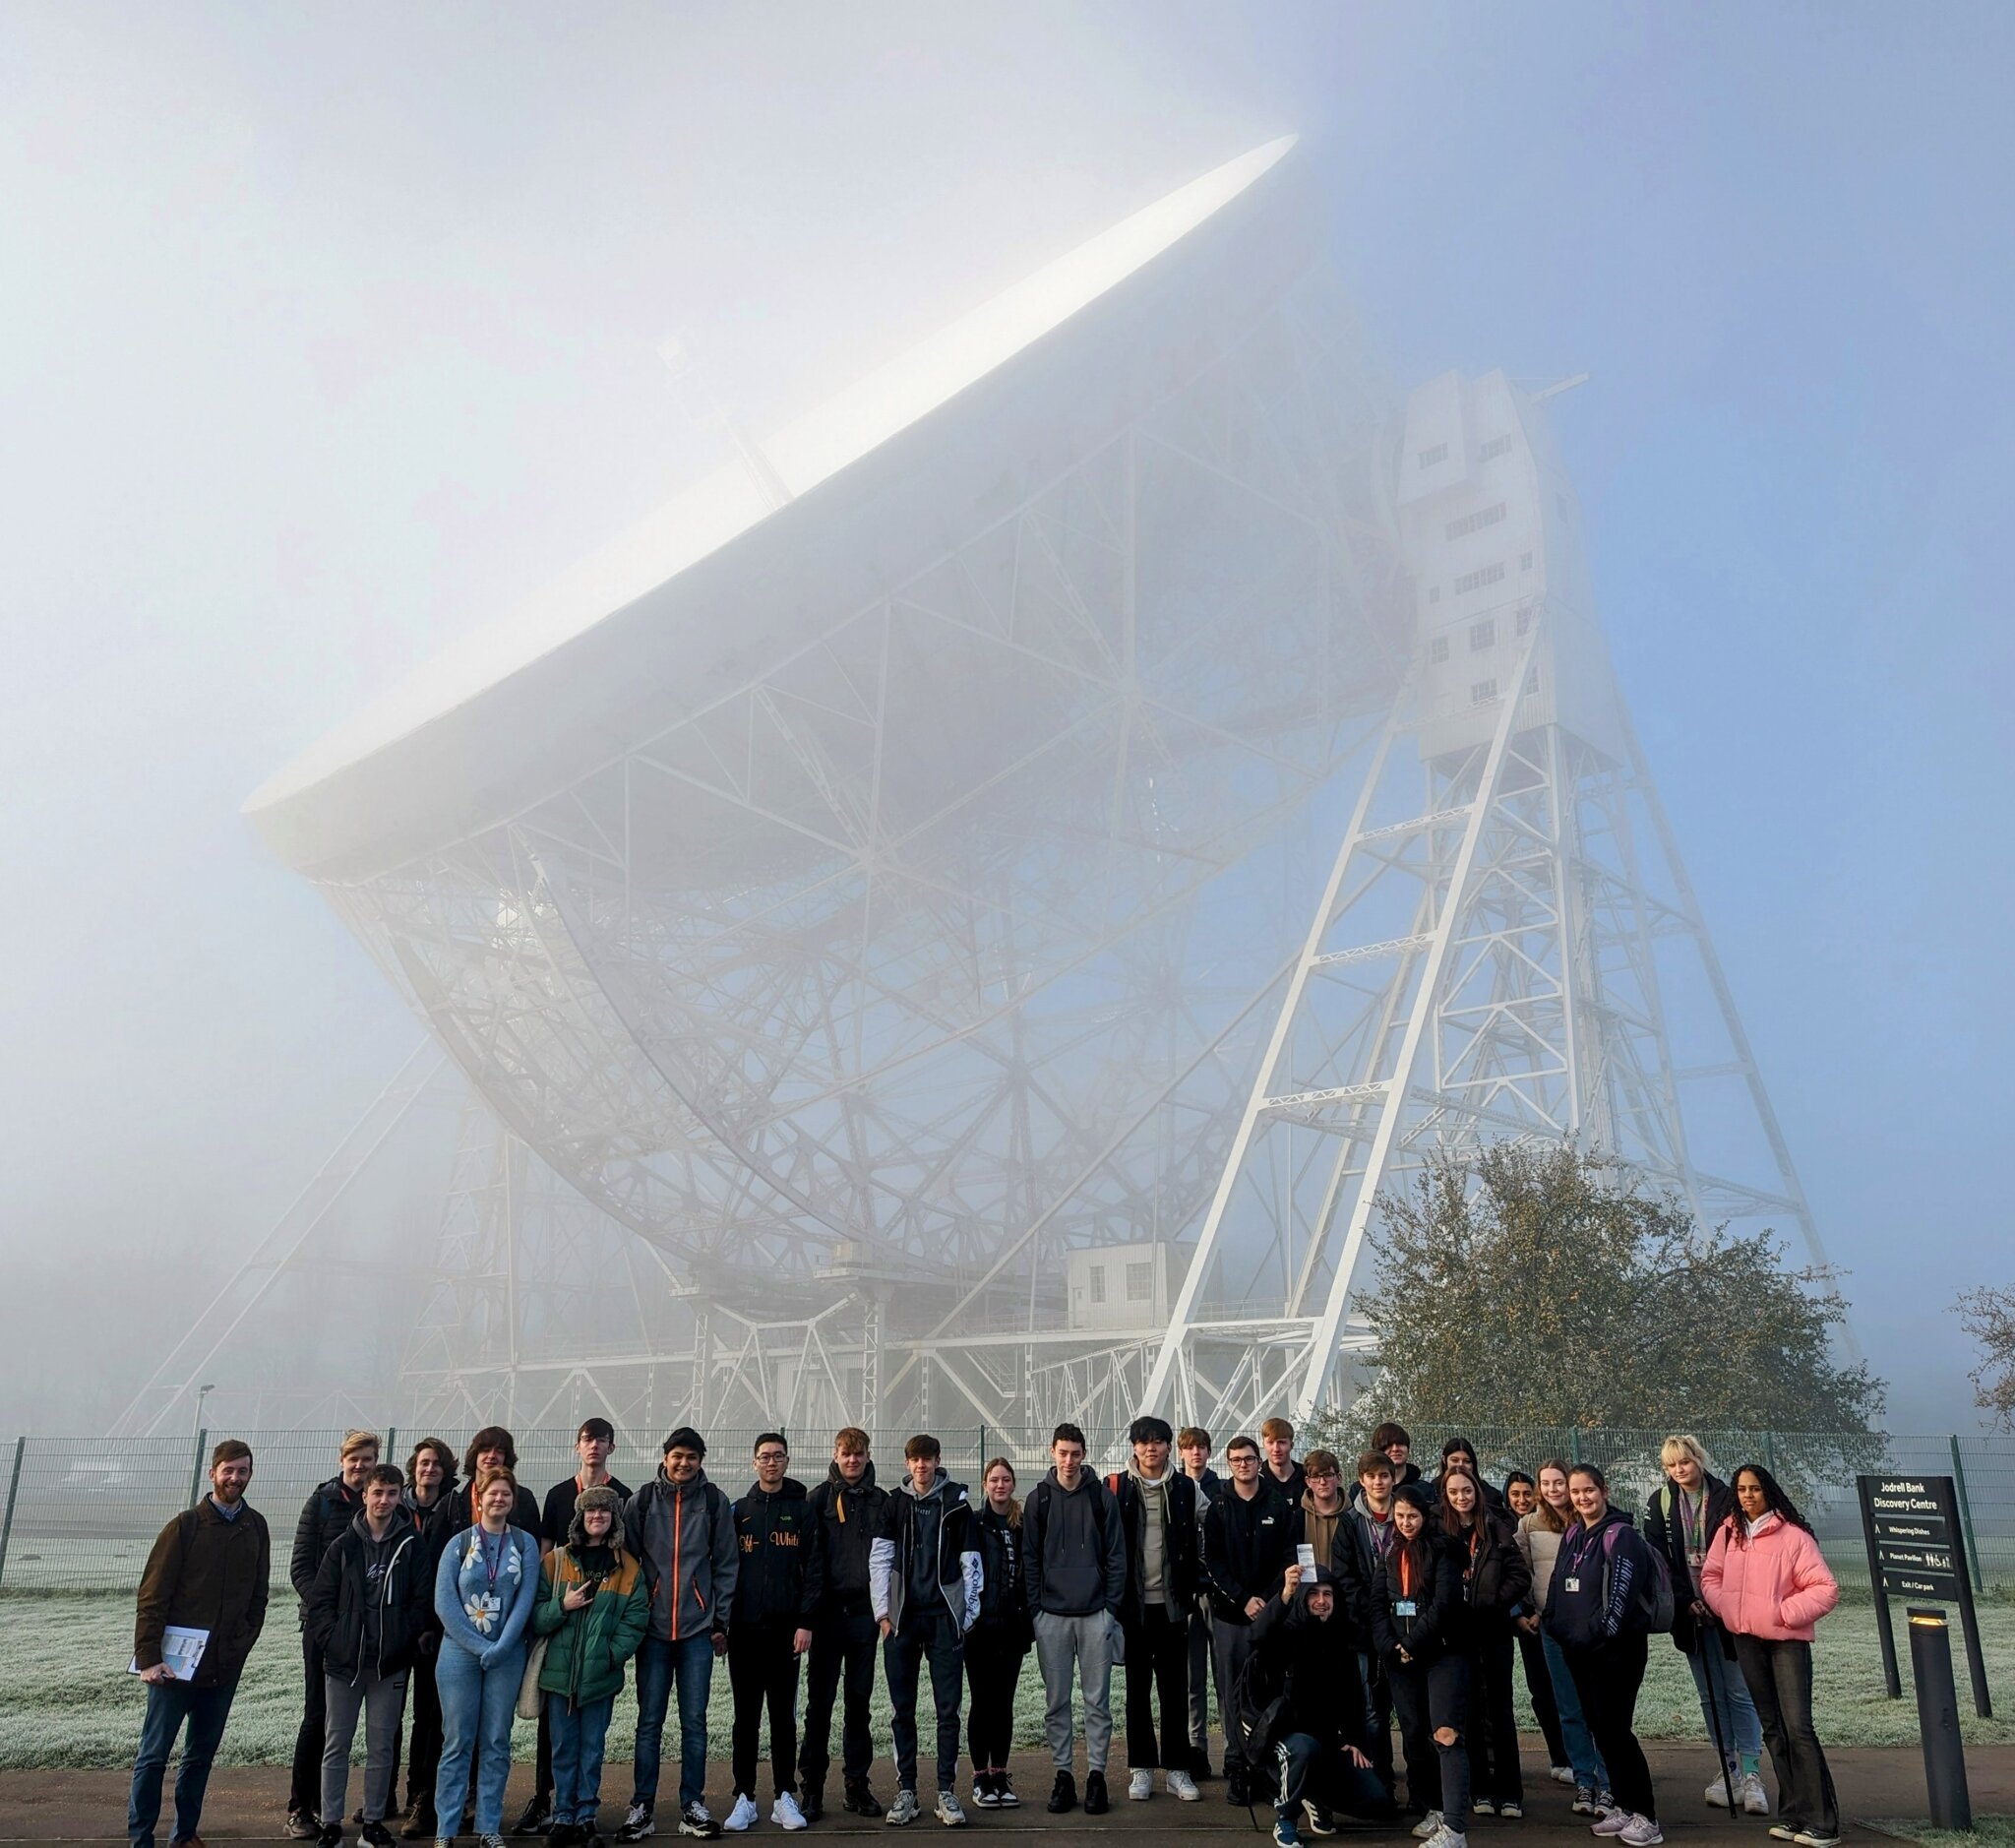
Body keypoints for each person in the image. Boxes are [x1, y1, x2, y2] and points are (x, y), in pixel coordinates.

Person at [129, 1440, 269, 1848]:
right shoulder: (184, 1527)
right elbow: (152, 1596)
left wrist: (242, 1642)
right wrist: (149, 1659)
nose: (235, 1478)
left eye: (243, 1471)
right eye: (229, 1470)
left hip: (222, 1667)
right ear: (213, 1473)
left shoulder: (255, 1526)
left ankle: (184, 1835)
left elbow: (259, 1596)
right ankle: (141, 1839)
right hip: (173, 1668)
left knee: (199, 1758)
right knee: (153, 1757)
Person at [1700, 1466, 1842, 1848]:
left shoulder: (1792, 1536)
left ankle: (1823, 1821)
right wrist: (1728, 1609)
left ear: (1768, 1492)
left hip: (1786, 1642)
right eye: (1742, 1489)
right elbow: (1710, 1577)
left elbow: (1825, 1588)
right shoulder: (1728, 1533)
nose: (1748, 1496)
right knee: (1773, 1728)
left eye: (1756, 1489)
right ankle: (1794, 1813)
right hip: (1747, 1640)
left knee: (1799, 1729)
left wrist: (1782, 1614)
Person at [617, 1428, 738, 1844]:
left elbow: (725, 1563)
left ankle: (692, 1804)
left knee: (695, 1723)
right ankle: (642, 1806)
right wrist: (635, 1616)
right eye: (677, 1456)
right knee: (649, 1722)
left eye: (691, 1457)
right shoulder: (642, 1501)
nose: (683, 1463)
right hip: (651, 1633)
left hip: (697, 1632)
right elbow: (627, 1564)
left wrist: (719, 1619)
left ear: (701, 1460)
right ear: (665, 1457)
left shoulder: (715, 1502)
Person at [311, 1463, 432, 1848]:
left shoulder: (411, 1545)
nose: (384, 1500)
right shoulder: (342, 1546)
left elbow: (421, 1601)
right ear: (364, 1495)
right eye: (377, 1492)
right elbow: (321, 1603)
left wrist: (401, 1642)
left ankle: (374, 1822)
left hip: (388, 1664)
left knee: (381, 1745)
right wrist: (336, 1641)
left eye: (392, 1493)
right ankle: (331, 1822)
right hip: (344, 1664)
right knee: (337, 1743)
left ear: (401, 1497)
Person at [522, 1421, 635, 1836]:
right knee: (556, 1736)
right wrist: (554, 1608)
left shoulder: (624, 1496)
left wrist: (610, 1649)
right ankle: (548, 1801)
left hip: (598, 1640)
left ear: (610, 1447)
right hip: (561, 1637)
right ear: (577, 1447)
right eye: (588, 1440)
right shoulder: (556, 1496)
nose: (594, 1447)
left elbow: (625, 1570)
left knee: (589, 1742)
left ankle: (583, 1811)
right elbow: (547, 1558)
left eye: (601, 1440)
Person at [1235, 1563, 1397, 1847]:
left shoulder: (1342, 1638)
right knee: (1303, 1749)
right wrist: (1285, 1594)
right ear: (1303, 1598)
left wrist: (1354, 1740)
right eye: (1314, 1595)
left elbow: (1352, 1699)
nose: (1321, 1601)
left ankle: (1313, 1795)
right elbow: (1257, 1636)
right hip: (1279, 1737)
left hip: (1323, 1740)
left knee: (1376, 1801)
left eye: (1328, 1594)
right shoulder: (1285, 1633)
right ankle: (1285, 1818)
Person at [1544, 1463, 1662, 1847]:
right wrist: (1554, 1624)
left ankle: (1647, 1816)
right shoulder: (1575, 1533)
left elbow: (1621, 1602)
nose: (1582, 1497)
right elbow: (1559, 1584)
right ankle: (1624, 1808)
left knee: (1617, 1731)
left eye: (1588, 1490)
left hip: (1615, 1653)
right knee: (1601, 1731)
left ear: (1604, 1490)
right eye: (1576, 1491)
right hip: (1579, 1653)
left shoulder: (1621, 1536)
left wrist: (1594, 1635)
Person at [1647, 1437, 1766, 1814]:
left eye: (1684, 1462)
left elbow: (1744, 1552)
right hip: (1689, 1611)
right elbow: (1659, 1560)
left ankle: (1751, 1774)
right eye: (1671, 1466)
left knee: (1738, 1692)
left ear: (1698, 1459)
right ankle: (1727, 1769)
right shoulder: (1660, 1502)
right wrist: (1686, 1600)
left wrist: (1719, 1599)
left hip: (1728, 1608)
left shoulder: (1728, 1496)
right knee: (1708, 1694)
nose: (1679, 1470)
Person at [870, 1434, 980, 1829]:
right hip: (902, 1620)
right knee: (903, 1710)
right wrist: (883, 1613)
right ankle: (907, 1792)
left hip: (942, 1619)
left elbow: (971, 1561)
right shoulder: (893, 1504)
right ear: (907, 1463)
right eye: (915, 1461)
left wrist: (965, 1615)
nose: (921, 1466)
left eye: (927, 1460)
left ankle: (947, 1792)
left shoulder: (956, 1502)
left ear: (937, 1461)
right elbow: (880, 1558)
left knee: (948, 1710)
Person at [531, 1485, 651, 1848]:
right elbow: (535, 1615)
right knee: (563, 1747)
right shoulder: (555, 1561)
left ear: (615, 1518)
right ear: (579, 1517)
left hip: (600, 1677)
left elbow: (636, 1620)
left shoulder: (628, 1567)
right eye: (590, 1511)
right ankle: (563, 1815)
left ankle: (586, 1816)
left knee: (592, 1749)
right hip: (559, 1676)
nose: (596, 1517)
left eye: (604, 1511)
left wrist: (612, 1656)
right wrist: (560, 1607)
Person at [432, 1465, 542, 1848]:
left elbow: (525, 1601)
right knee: (458, 1741)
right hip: (459, 1654)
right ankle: (445, 1828)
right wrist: (483, 1648)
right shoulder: (459, 1544)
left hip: (507, 1656)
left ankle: (489, 1827)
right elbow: (445, 1603)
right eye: (492, 1493)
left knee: (497, 1741)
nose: (499, 1499)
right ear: (478, 1498)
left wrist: (502, 1647)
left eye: (506, 1494)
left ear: (513, 1501)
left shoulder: (525, 1544)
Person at [1021, 1422, 1125, 1817]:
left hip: (1096, 1614)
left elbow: (1117, 1555)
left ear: (1084, 1453)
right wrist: (1036, 1610)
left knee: (1097, 1702)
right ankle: (1063, 1775)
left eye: (1075, 1453)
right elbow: (1030, 1559)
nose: (1069, 1460)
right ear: (1052, 1452)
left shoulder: (1101, 1497)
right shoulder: (1038, 1500)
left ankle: (1096, 1776)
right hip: (1052, 1616)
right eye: (1062, 1452)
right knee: (1056, 1703)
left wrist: (1110, 1608)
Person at [290, 1430, 383, 1838]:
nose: (360, 1466)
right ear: (342, 1460)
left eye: (367, 1459)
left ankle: (378, 1805)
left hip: (374, 1633)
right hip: (325, 1632)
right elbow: (301, 1567)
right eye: (354, 1459)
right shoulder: (322, 1503)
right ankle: (301, 1808)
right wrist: (327, 1619)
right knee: (318, 1717)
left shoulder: (385, 1505)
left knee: (378, 1723)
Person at [724, 1435, 819, 1833]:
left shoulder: (802, 1509)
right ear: (754, 1462)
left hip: (786, 1631)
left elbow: (814, 1568)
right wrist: (721, 1625)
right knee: (745, 1718)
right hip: (744, 1630)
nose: (771, 1463)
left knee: (783, 1717)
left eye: (778, 1456)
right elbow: (725, 1570)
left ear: (787, 1460)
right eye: (764, 1457)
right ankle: (744, 1797)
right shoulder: (738, 1511)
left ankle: (784, 1795)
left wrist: (805, 1621)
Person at [1110, 1415, 1201, 1802]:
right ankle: (1141, 1769)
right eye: (1144, 1441)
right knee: (1137, 1691)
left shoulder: (1186, 1488)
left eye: (1159, 1441)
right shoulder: (1114, 1488)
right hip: (1133, 1609)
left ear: (1168, 1447)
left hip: (1173, 1606)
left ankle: (1178, 1770)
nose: (1151, 1448)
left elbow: (1207, 1535)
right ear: (1133, 1446)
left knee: (1174, 1690)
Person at [1372, 1484, 1469, 1848]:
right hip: (1402, 1661)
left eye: (1412, 1516)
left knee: (1445, 1733)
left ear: (1425, 1516)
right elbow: (1377, 1605)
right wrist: (1391, 1648)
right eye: (1400, 1516)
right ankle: (1436, 1809)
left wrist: (1411, 1645)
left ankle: (1456, 1827)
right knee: (1414, 1734)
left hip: (1441, 1655)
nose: (1406, 1522)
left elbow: (1444, 1606)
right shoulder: (1390, 1554)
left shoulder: (1443, 1550)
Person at [800, 1429, 887, 1820]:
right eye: (845, 1454)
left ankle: (856, 1784)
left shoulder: (881, 1502)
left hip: (864, 1619)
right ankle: (812, 1788)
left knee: (859, 1705)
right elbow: (807, 1563)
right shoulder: (817, 1500)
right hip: (826, 1618)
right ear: (835, 1455)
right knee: (819, 1706)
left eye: (859, 1454)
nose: (852, 1460)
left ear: (868, 1457)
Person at [1201, 1434, 1295, 1806]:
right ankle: (1237, 1765)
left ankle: (1266, 1767)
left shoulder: (1277, 1504)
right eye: (1237, 1459)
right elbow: (1213, 1562)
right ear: (1230, 1464)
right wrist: (1242, 1599)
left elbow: (1289, 1553)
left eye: (1249, 1458)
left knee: (1270, 1691)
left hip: (1271, 1615)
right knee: (1232, 1693)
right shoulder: (1218, 1508)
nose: (1244, 1464)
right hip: (1230, 1616)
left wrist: (1268, 1599)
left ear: (1259, 1462)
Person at [1515, 1461, 1610, 1817]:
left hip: (1591, 1630)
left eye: (1561, 1483)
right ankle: (1585, 1779)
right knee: (1568, 1708)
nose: (1555, 1489)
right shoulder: (1529, 1524)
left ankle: (1608, 1782)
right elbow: (1522, 1570)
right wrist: (1530, 1611)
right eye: (1547, 1483)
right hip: (1552, 1628)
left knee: (1597, 1708)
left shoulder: (1589, 1521)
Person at [1441, 1470, 1528, 1819]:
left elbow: (1520, 1576)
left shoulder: (1495, 1527)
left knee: (1500, 1709)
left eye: (1466, 1491)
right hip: (1458, 1634)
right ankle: (1479, 1789)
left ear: (1476, 1492)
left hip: (1493, 1630)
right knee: (1470, 1712)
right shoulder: (1440, 1531)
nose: (1461, 1497)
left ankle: (1510, 1792)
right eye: (1453, 1492)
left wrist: (1493, 1601)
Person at [964, 1458, 1032, 1809]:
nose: (1000, 1485)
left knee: (1004, 1704)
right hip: (979, 1629)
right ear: (985, 1485)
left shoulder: (1023, 1525)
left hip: (1012, 1627)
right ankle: (980, 1777)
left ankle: (1000, 1775)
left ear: (1013, 1484)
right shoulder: (973, 1523)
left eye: (1006, 1479)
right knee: (982, 1702)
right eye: (994, 1480)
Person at [401, 1440, 460, 1840]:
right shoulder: (396, 1504)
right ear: (414, 1468)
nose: (430, 1469)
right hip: (394, 1623)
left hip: (434, 1627)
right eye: (424, 1463)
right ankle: (387, 1797)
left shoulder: (456, 1508)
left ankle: (423, 1795)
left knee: (428, 1715)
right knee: (386, 1719)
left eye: (437, 1464)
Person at [1502, 1473, 1570, 1790]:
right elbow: (1514, 1571)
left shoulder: (1569, 1522)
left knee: (1568, 1693)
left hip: (1556, 1617)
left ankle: (1575, 1756)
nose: (1520, 1499)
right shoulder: (1519, 1527)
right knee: (1541, 1691)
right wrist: (1521, 1613)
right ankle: (1559, 1756)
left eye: (1526, 1493)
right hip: (1527, 1621)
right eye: (1514, 1494)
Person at [1341, 1450, 1400, 1798]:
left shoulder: (1408, 1515)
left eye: (1384, 1475)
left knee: (1409, 1712)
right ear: (1362, 1480)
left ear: (1393, 1479)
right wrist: (1374, 1617)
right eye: (1372, 1476)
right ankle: (1382, 1782)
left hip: (1406, 1628)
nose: (1379, 1482)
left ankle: (1423, 1786)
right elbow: (1345, 1578)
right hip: (1365, 1632)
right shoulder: (1350, 1523)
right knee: (1373, 1712)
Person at [1177, 1429, 1222, 1780]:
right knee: (1192, 1678)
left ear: (1209, 1452)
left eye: (1201, 1448)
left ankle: (1235, 1749)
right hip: (1186, 1594)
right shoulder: (1174, 1489)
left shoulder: (1222, 1490)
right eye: (1189, 1448)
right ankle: (1197, 1748)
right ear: (1181, 1453)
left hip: (1219, 1594)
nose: (1196, 1453)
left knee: (1225, 1675)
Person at [447, 1429, 543, 1542]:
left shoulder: (524, 1498)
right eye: (485, 1450)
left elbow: (533, 1543)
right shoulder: (455, 1498)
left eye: (499, 1451)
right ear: (475, 1455)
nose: (492, 1455)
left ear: (506, 1458)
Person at [1353, 1424, 1422, 1506]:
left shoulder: (1423, 1488)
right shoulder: (1358, 1489)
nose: (1395, 1449)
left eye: (1400, 1443)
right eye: (1388, 1445)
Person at [1260, 1418, 1305, 1502]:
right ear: (1264, 1445)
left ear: (1291, 1445)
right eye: (1270, 1442)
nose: (1276, 1449)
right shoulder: (1257, 1479)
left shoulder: (1306, 1476)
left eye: (1281, 1442)